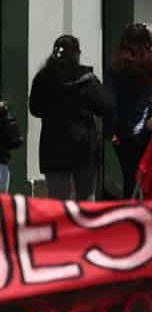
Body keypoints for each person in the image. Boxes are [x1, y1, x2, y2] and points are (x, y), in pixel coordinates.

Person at [29, 35, 112, 200]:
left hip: (53, 148)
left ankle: (60, 226)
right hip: (83, 149)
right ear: (77, 54)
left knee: (57, 202)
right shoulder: (87, 80)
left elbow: (35, 109)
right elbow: (106, 105)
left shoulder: (44, 78)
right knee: (86, 200)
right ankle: (84, 226)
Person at [104, 23, 152, 198]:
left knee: (129, 176)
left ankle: (130, 212)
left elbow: (110, 102)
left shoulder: (116, 67)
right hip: (151, 127)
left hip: (125, 131)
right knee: (151, 174)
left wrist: (111, 131)